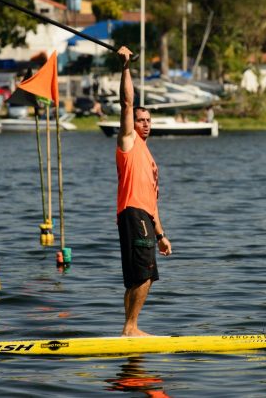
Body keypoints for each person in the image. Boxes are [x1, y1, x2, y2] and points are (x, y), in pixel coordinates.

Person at [116, 46, 172, 337]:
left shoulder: (149, 158)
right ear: (132, 124)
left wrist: (160, 235)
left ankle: (129, 329)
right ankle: (131, 327)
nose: (146, 124)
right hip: (132, 212)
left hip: (143, 215)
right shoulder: (128, 143)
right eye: (141, 120)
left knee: (136, 276)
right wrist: (126, 66)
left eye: (149, 120)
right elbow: (127, 102)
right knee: (146, 274)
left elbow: (154, 203)